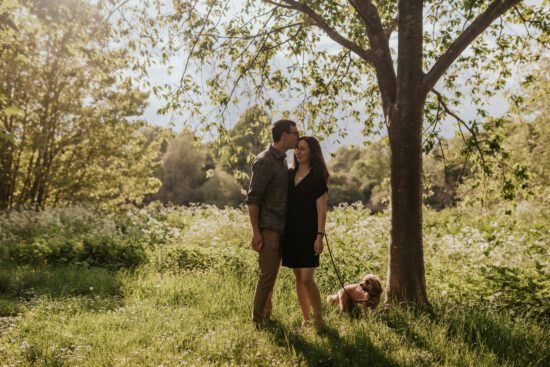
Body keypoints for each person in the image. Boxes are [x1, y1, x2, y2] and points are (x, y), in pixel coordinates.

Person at [245, 119, 300, 326]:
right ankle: (258, 321)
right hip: (268, 228)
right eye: (295, 133)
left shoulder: (281, 160)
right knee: (267, 276)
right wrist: (256, 232)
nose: (298, 136)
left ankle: (266, 316)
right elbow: (253, 199)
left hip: (281, 227)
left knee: (271, 277)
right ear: (285, 135)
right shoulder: (265, 160)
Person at [282, 136, 329, 330]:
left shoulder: (317, 178)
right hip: (290, 233)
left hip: (310, 234)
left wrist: (319, 236)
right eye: (297, 149)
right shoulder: (288, 174)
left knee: (307, 278)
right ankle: (306, 320)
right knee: (298, 278)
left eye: (303, 149)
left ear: (312, 153)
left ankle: (319, 319)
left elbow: (321, 210)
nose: (298, 152)